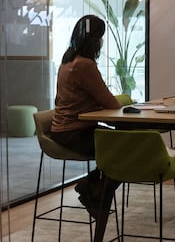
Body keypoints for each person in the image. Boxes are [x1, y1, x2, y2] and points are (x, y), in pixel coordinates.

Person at [51, 14, 122, 218]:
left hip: (66, 130)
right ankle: (95, 189)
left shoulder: (68, 59)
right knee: (128, 147)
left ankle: (91, 185)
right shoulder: (85, 65)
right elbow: (110, 102)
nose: (101, 42)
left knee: (123, 144)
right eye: (100, 37)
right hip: (74, 132)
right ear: (93, 40)